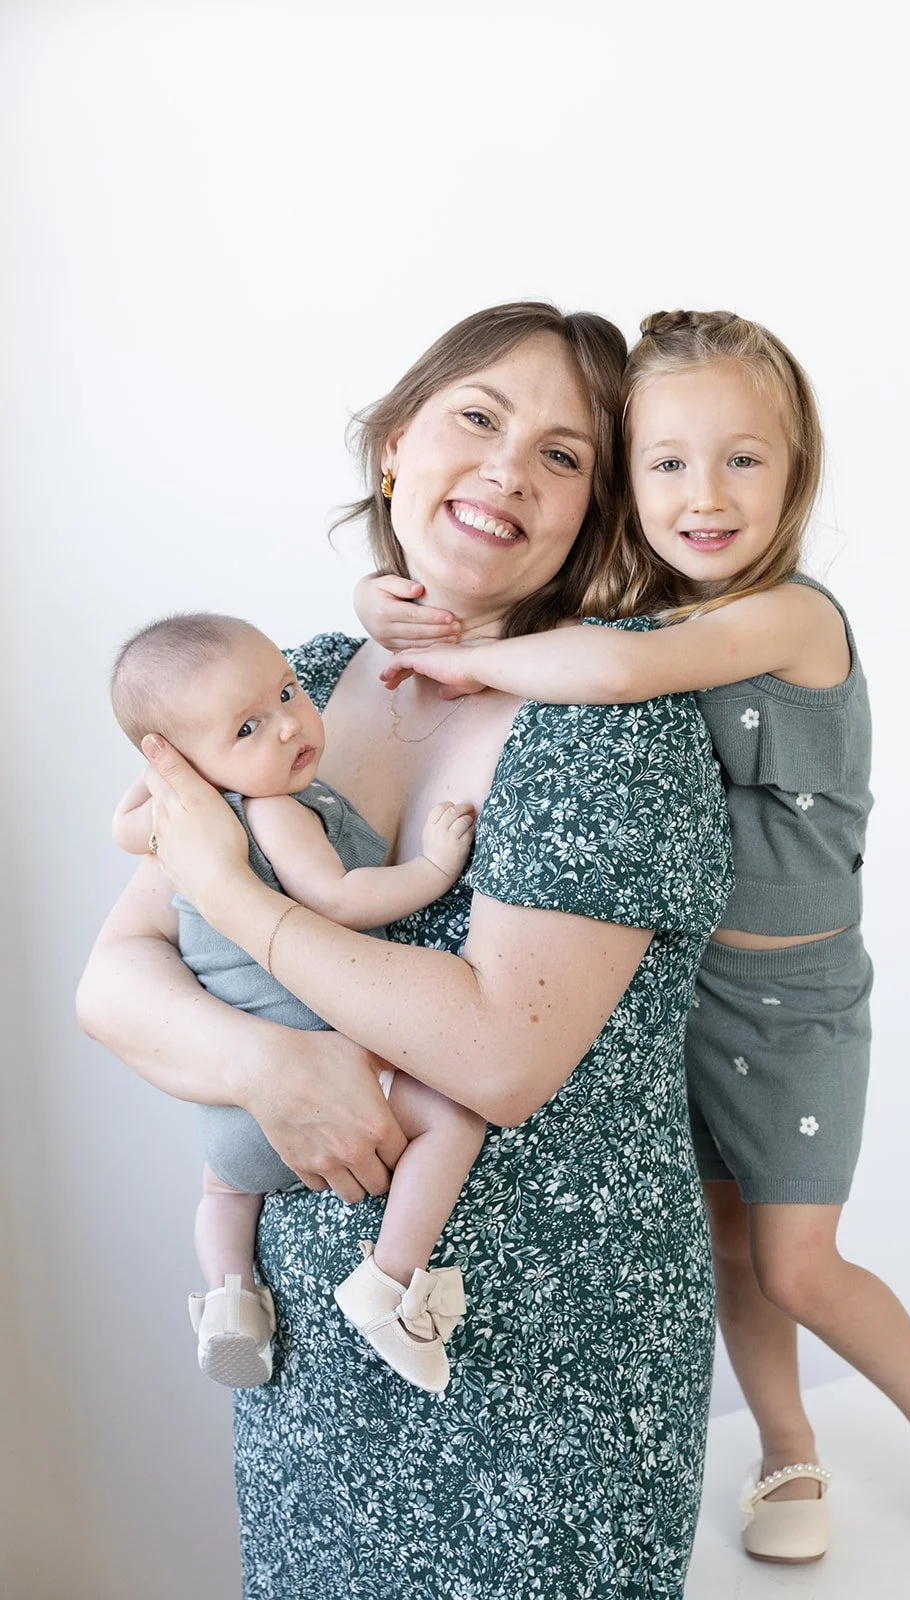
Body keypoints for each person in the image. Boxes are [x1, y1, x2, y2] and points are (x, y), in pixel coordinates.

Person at [367, 308, 910, 1584]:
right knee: (723, 1238)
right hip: (683, 992)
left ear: (796, 474)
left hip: (794, 1000)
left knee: (798, 1259)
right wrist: (390, 601)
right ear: (626, 485)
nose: (704, 493)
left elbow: (633, 668)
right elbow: (532, 629)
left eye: (743, 458)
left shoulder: (781, 619)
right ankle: (784, 1445)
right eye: (667, 462)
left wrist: (476, 663)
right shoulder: (621, 618)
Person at [77, 302, 736, 1600]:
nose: (508, 468)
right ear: (393, 448)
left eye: (565, 457)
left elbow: (494, 1054)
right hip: (307, 1351)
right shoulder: (288, 683)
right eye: (478, 419)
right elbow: (114, 980)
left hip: (537, 1368)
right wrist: (270, 1070)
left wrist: (235, 893)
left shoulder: (612, 726)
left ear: (595, 516)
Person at [109, 613, 480, 1393]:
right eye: (247, 727)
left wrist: (166, 772)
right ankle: (388, 1282)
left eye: (285, 691)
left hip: (233, 1118)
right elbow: (339, 897)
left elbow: (121, 826)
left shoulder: (172, 820)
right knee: (453, 1117)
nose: (285, 728)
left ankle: (230, 1300)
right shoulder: (274, 808)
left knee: (223, 1191)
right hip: (322, 1073)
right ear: (187, 758)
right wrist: (434, 867)